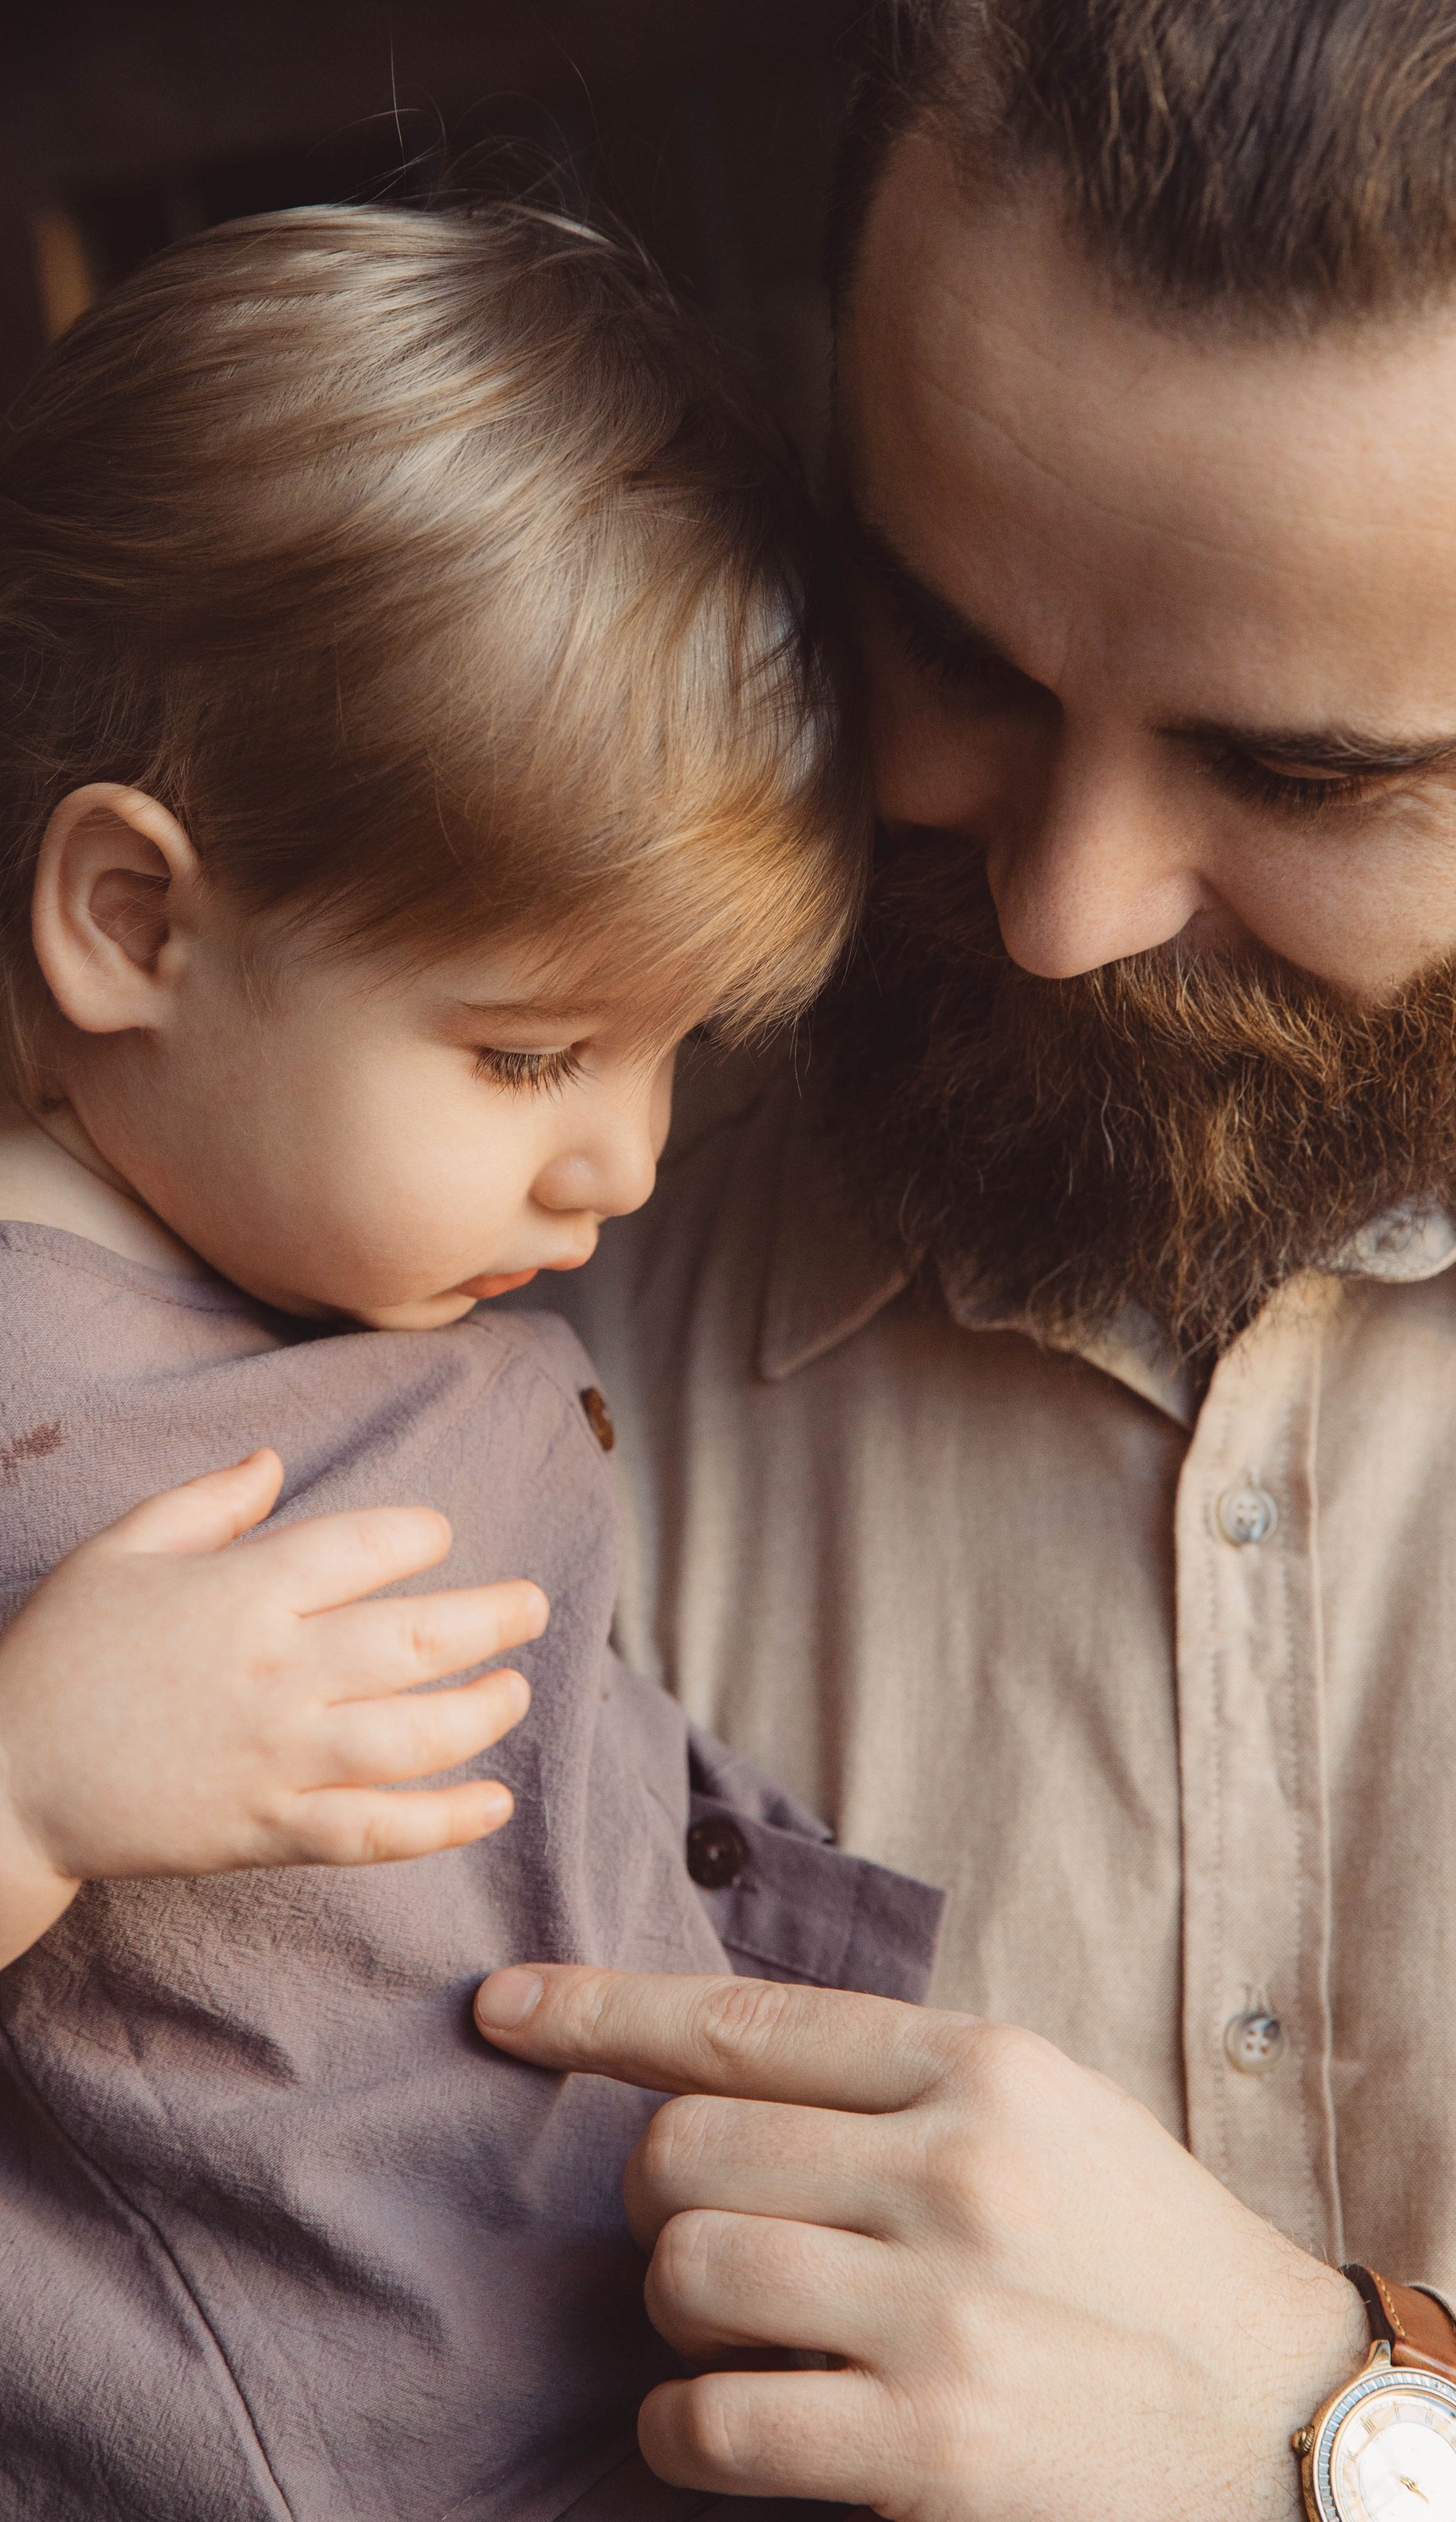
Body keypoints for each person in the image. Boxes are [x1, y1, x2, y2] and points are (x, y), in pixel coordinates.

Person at [0, 201, 939, 2522]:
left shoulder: (321, 1290)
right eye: (526, 1055)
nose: (620, 1158)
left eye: (670, 1050)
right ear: (134, 922)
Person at [467, 3, 1456, 2518]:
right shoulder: (490, 1254)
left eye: (1298, 774)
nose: (1054, 909)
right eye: (960, 662)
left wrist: (1325, 2440)